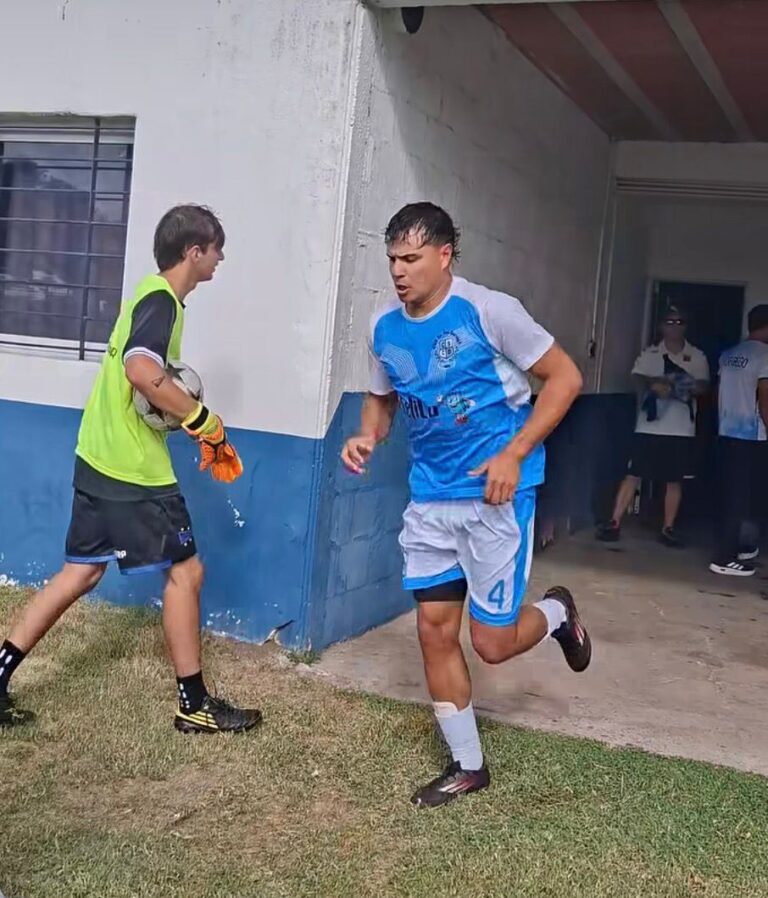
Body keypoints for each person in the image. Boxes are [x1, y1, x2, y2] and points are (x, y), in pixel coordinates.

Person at [341, 202, 588, 808]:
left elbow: (565, 379)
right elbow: (382, 399)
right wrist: (368, 435)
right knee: (433, 629)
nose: (399, 271)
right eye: (393, 258)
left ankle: (556, 613)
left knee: (493, 644)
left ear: (445, 255)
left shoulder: (490, 311)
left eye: (412, 258)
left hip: (497, 498)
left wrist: (515, 452)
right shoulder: (383, 327)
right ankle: (467, 764)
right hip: (429, 499)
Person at [0, 205, 262, 733]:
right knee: (186, 572)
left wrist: (182, 412)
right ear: (195, 251)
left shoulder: (147, 295)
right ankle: (194, 705)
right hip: (131, 469)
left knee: (81, 571)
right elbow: (141, 371)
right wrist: (200, 418)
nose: (221, 258)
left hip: (96, 455)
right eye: (216, 249)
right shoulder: (162, 300)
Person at [596, 307, 709, 547]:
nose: (675, 325)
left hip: (680, 428)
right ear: (661, 326)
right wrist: (654, 383)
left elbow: (704, 386)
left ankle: (668, 528)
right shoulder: (651, 354)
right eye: (670, 321)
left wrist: (680, 386)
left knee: (674, 479)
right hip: (648, 426)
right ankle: (614, 522)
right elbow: (637, 377)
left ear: (685, 326)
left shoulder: (696, 356)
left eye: (680, 321)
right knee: (633, 474)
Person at [709, 304, 768, 576]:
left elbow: (719, 392)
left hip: (726, 432)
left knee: (731, 493)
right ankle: (725, 558)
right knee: (742, 498)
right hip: (752, 435)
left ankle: (740, 547)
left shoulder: (729, 355)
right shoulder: (765, 356)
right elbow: (765, 397)